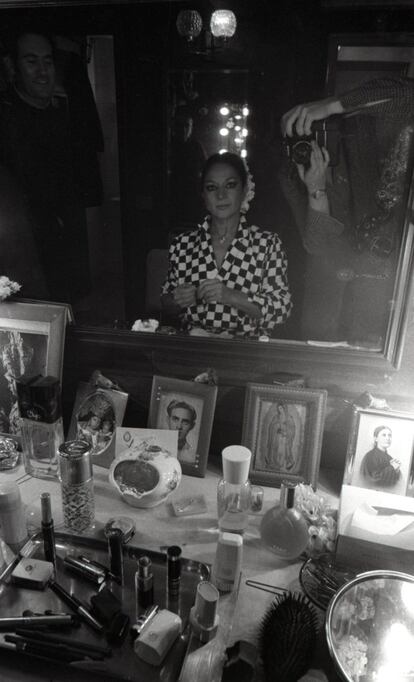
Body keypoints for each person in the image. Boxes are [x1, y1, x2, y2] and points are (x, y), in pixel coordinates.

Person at [279, 77, 414, 344]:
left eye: (323, 127)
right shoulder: (293, 171)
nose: (317, 139)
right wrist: (316, 189)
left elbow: (406, 97)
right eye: (309, 131)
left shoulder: (366, 151)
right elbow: (318, 246)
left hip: (381, 295)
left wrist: (332, 106)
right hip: (328, 308)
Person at [0, 28, 102, 307]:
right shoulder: (6, 123)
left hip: (65, 259)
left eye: (48, 61)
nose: (43, 72)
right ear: (12, 66)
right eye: (31, 62)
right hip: (21, 264)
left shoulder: (65, 117)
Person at [161, 152, 292, 337]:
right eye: (211, 187)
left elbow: (281, 311)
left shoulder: (267, 244)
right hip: (193, 348)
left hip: (246, 353)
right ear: (203, 196)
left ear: (245, 190)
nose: (221, 195)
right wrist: (176, 300)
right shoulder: (182, 244)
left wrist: (230, 296)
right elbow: (166, 303)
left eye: (230, 185)